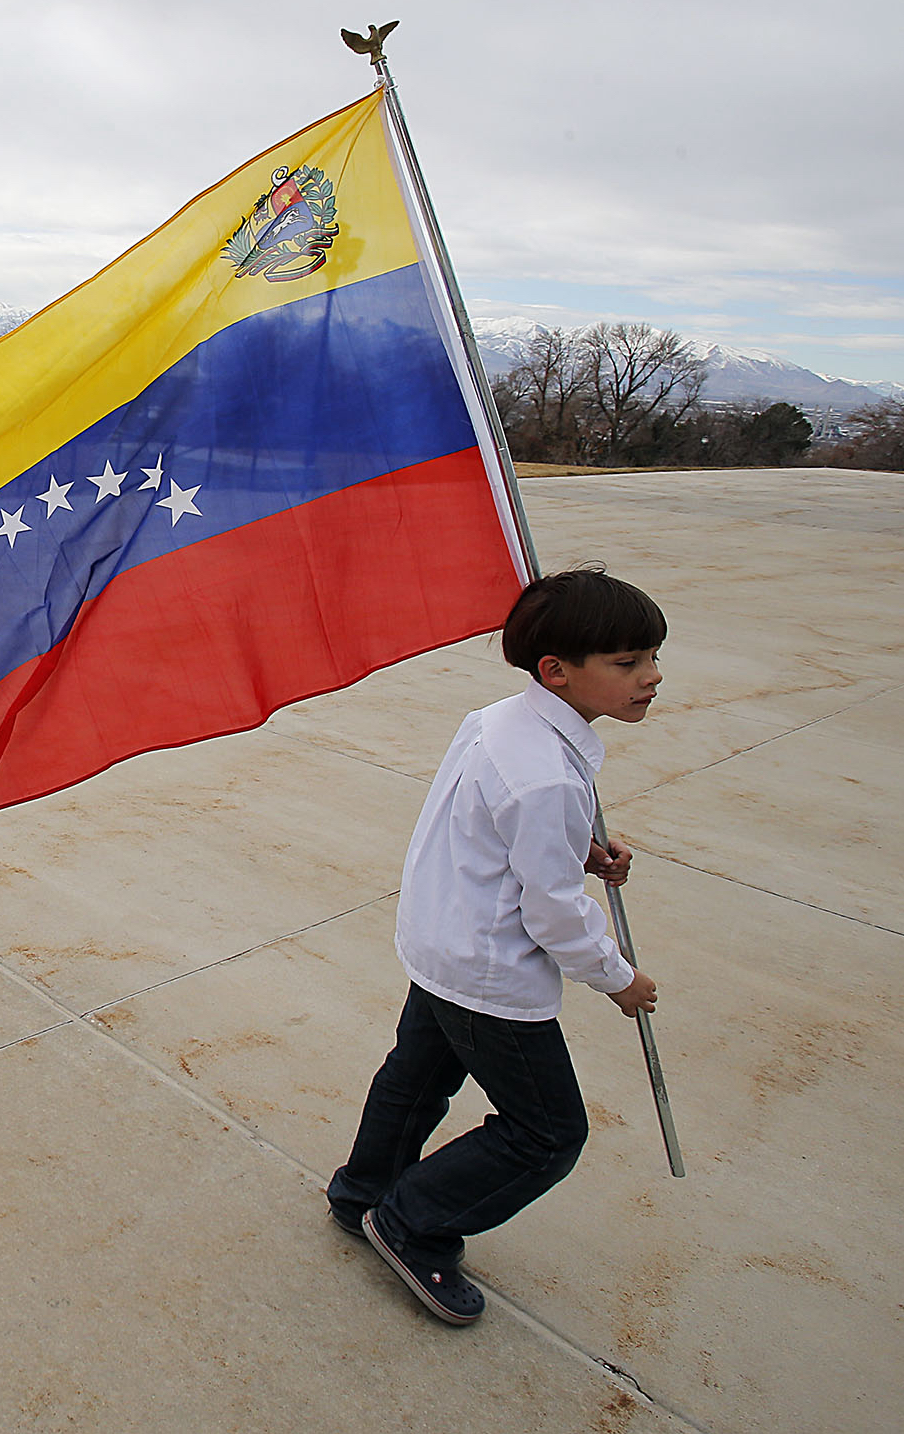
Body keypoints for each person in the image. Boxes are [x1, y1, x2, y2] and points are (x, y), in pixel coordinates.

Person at [326, 567, 665, 1327]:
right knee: (547, 1132)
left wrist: (580, 845)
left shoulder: (497, 721)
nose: (652, 676)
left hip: (441, 940)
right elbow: (553, 915)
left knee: (415, 1079)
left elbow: (492, 827)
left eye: (650, 656)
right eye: (628, 661)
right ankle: (412, 1221)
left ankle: (361, 1193)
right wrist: (618, 979)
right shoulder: (547, 776)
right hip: (488, 972)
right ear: (557, 670)